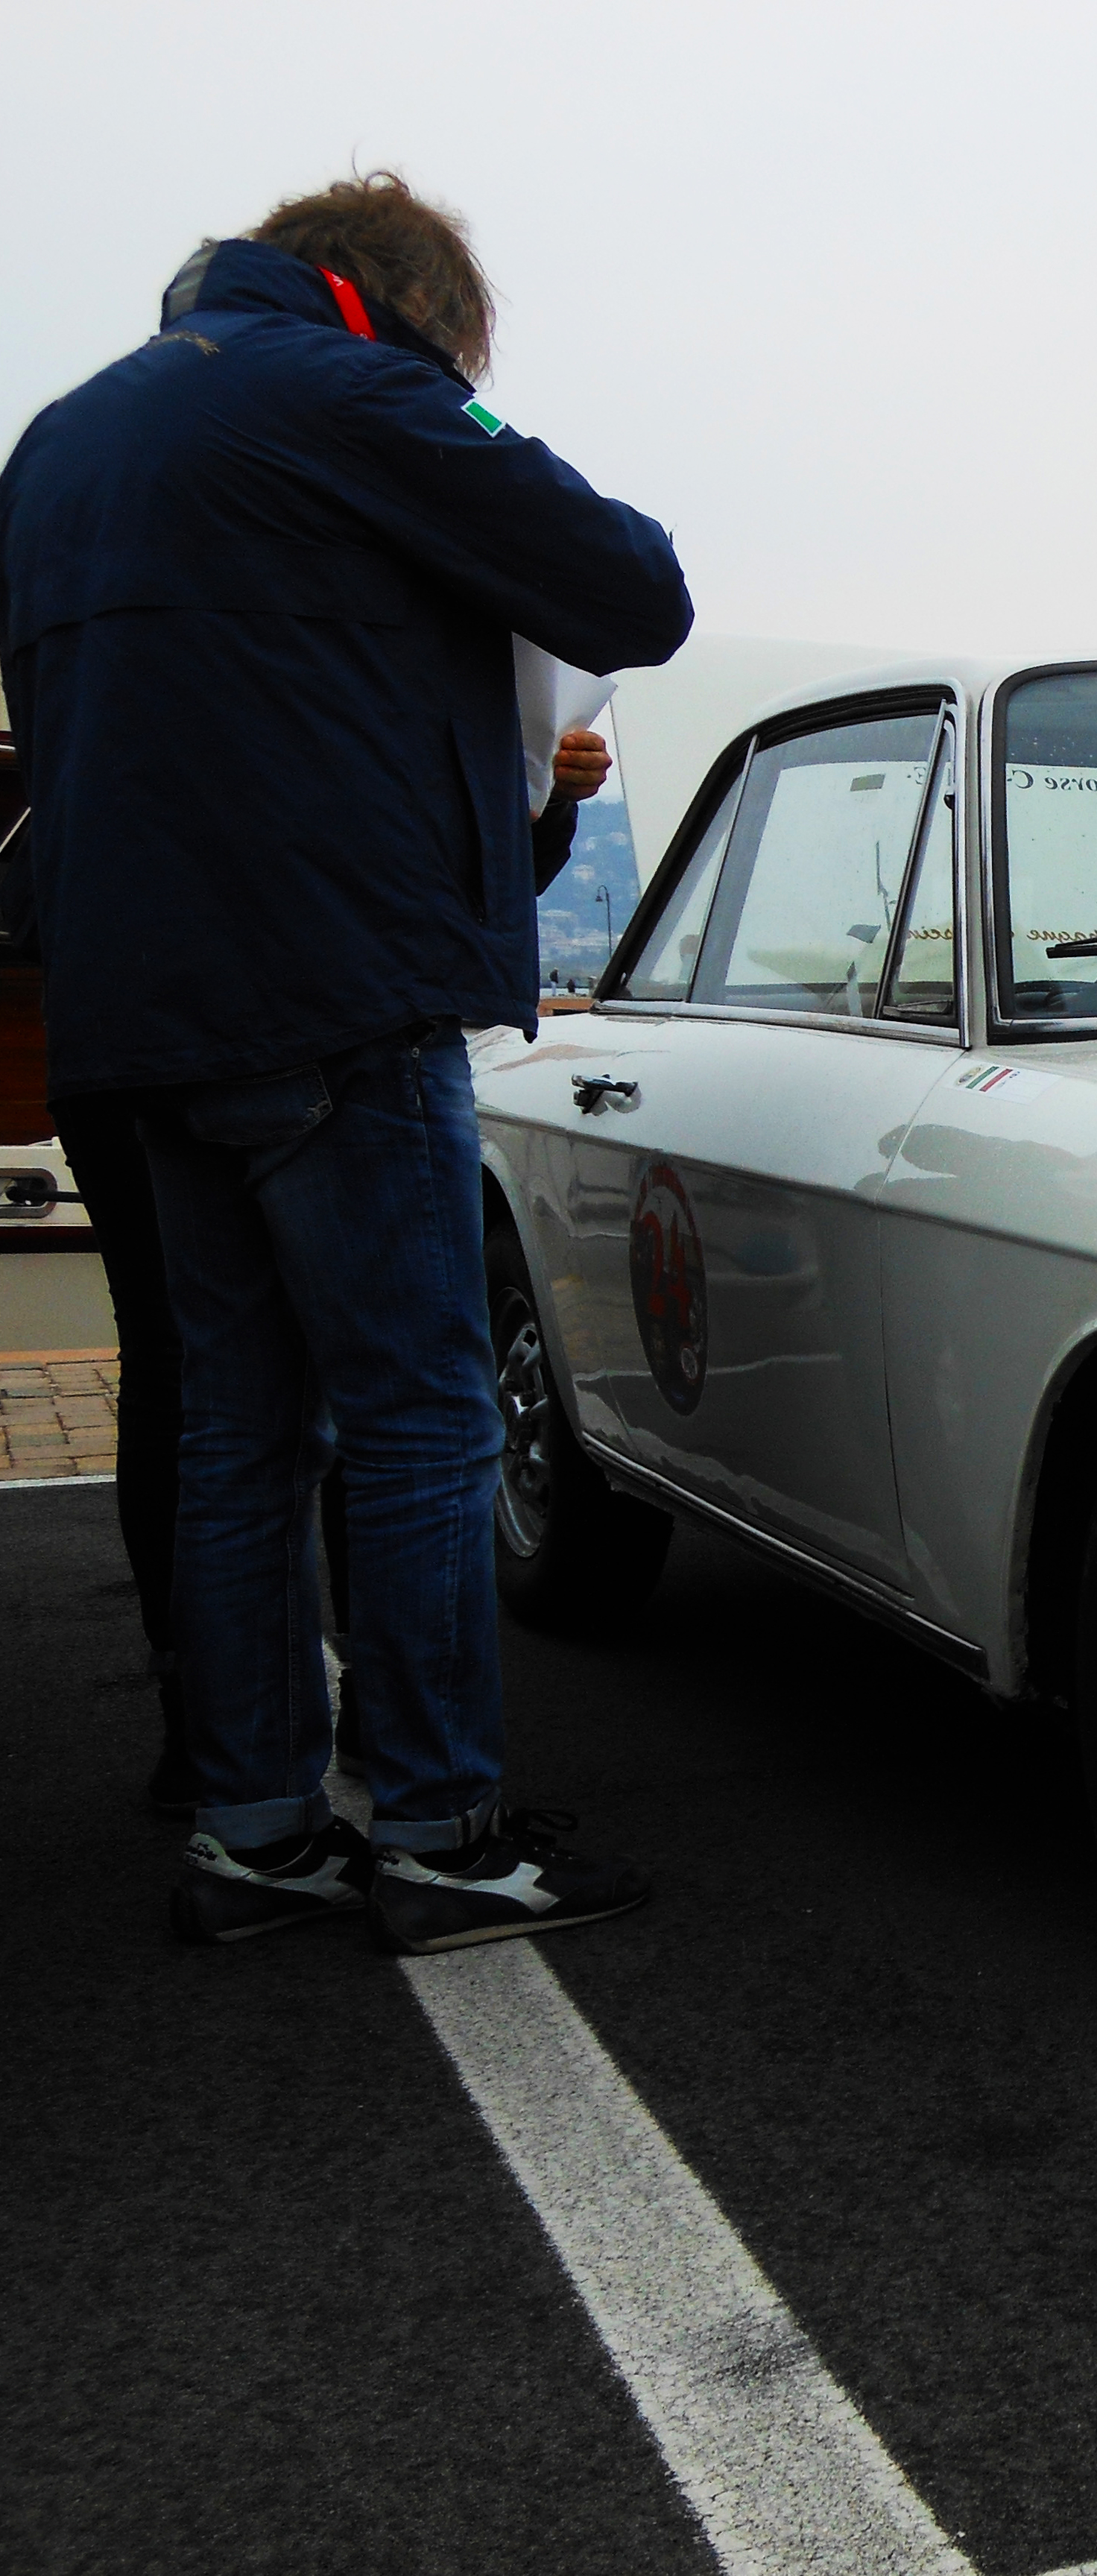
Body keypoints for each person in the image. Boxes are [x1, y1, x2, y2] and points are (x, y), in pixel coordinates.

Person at [0, 174, 693, 1948]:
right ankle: (447, 1830)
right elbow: (630, 582)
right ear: (401, 308)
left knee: (239, 1428)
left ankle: (256, 1834)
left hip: (136, 1014)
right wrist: (456, 414)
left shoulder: (65, 441)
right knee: (415, 1416)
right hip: (333, 986)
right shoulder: (353, 391)